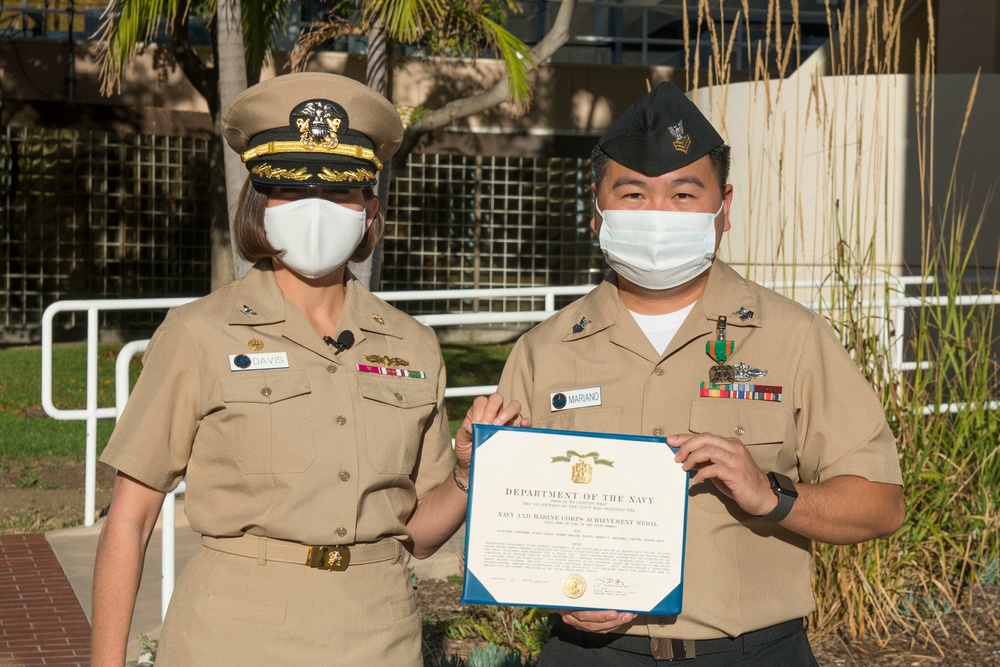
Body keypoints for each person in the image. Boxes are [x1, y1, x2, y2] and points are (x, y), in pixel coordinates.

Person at [90, 72, 520, 666]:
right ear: (259, 202)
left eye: (340, 192)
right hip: (232, 636)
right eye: (292, 190)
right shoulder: (198, 332)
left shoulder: (414, 345)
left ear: (370, 210)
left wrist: (471, 473)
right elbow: (130, 520)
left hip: (379, 636)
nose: (316, 210)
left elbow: (417, 536)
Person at [491, 82, 905, 665]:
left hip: (751, 651)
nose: (658, 215)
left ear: (724, 207)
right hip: (589, 651)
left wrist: (771, 496)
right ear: (597, 208)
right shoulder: (544, 350)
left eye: (684, 194)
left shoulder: (794, 338)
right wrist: (551, 587)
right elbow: (511, 517)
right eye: (633, 194)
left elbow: (880, 505)